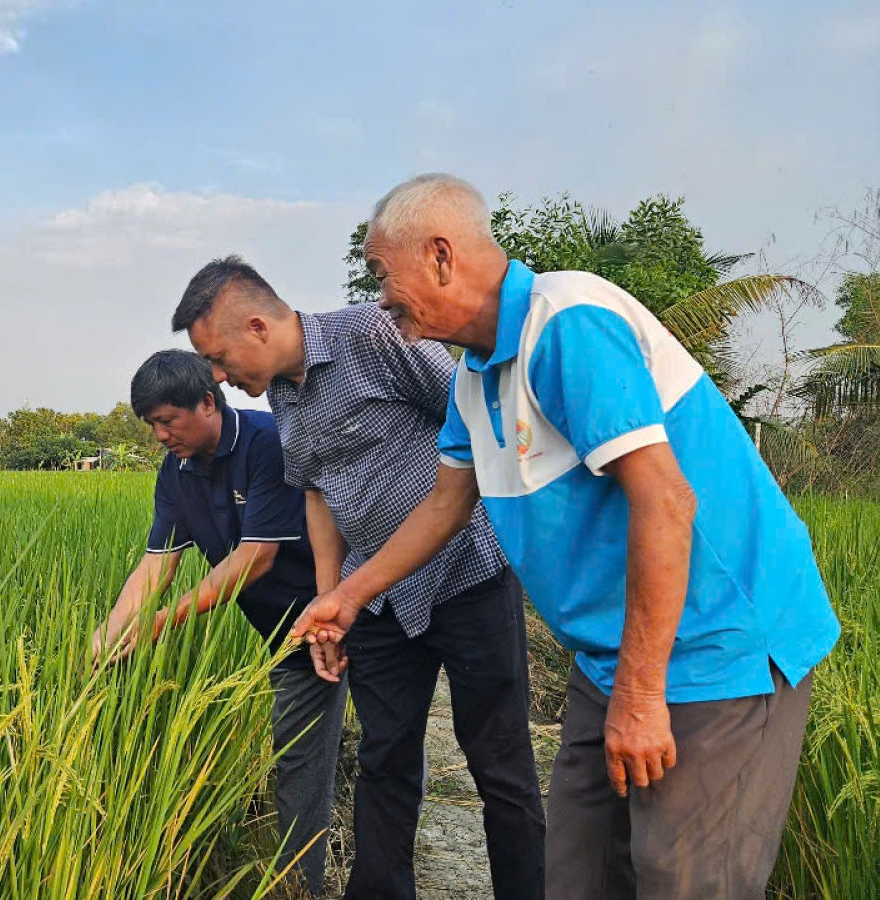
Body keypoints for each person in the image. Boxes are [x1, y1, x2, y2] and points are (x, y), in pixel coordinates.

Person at [291, 173, 841, 900]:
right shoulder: (472, 380)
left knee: (683, 880)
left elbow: (667, 503)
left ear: (442, 256)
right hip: (612, 659)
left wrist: (643, 696)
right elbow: (443, 506)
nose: (381, 300)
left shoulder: (567, 322)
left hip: (718, 648)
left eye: (384, 276)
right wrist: (349, 597)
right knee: (578, 876)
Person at [172, 257, 547, 900]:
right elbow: (317, 494)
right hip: (373, 601)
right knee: (384, 760)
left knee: (500, 764)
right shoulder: (282, 403)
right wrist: (328, 598)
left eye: (218, 355)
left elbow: (474, 416)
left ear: (257, 326)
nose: (217, 376)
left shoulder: (371, 335)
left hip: (467, 575)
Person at [92, 349, 341, 896]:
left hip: (350, 607)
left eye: (167, 420)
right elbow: (157, 562)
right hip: (290, 636)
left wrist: (162, 621)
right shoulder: (175, 472)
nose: (159, 435)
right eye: (151, 424)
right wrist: (110, 633)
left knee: (389, 743)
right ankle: (301, 889)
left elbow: (256, 557)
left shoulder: (265, 443)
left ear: (207, 401)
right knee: (297, 756)